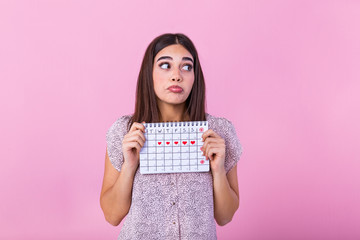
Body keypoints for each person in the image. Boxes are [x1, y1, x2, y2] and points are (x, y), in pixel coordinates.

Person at [100, 33, 243, 240]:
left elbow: (225, 217)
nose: (177, 75)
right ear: (149, 73)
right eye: (165, 65)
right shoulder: (124, 131)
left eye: (186, 67)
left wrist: (218, 170)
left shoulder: (219, 132)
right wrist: (129, 167)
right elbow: (112, 216)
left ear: (195, 77)